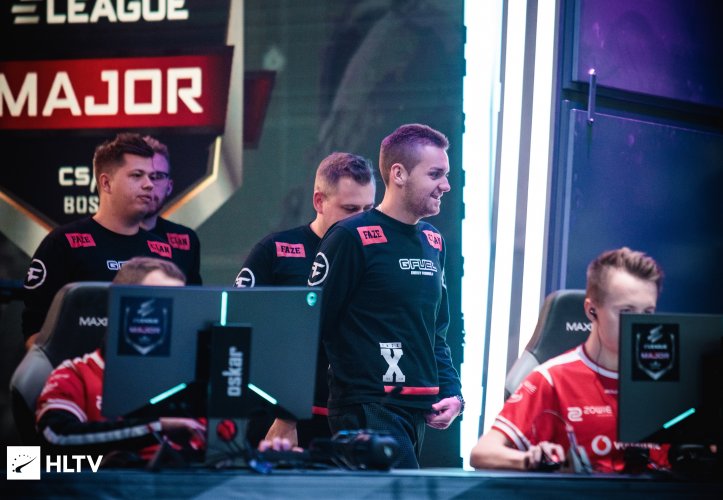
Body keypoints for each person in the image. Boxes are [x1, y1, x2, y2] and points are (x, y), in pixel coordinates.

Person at [308, 123, 463, 468]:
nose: (446, 185)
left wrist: (452, 391)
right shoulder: (350, 236)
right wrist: (288, 416)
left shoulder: (433, 240)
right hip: (368, 407)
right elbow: (312, 326)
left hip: (419, 409)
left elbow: (435, 331)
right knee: (405, 493)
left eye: (446, 175)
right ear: (399, 174)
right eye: (435, 174)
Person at [470, 247, 670, 473]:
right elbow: (482, 453)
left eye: (647, 313)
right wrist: (531, 459)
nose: (638, 324)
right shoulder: (552, 379)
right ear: (592, 310)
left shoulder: (667, 380)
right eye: (626, 312)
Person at [234, 151, 376, 448]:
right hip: (282, 416)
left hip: (360, 414)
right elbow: (239, 331)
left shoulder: (379, 255)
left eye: (368, 208)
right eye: (350, 208)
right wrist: (285, 413)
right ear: (319, 202)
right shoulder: (275, 251)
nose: (361, 219)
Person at [35, 257, 205, 461]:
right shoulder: (75, 375)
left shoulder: (194, 384)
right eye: (158, 303)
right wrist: (155, 427)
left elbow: (229, 444)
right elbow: (54, 437)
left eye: (178, 304)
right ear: (121, 308)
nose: (169, 313)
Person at [21, 133, 175, 349]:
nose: (149, 184)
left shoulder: (161, 250)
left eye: (152, 176)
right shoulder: (62, 244)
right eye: (137, 175)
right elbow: (34, 333)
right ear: (106, 182)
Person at [140, 136, 203, 285]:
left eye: (157, 176)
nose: (149, 184)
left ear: (169, 187)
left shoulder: (187, 239)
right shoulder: (90, 235)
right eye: (137, 175)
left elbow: (193, 296)